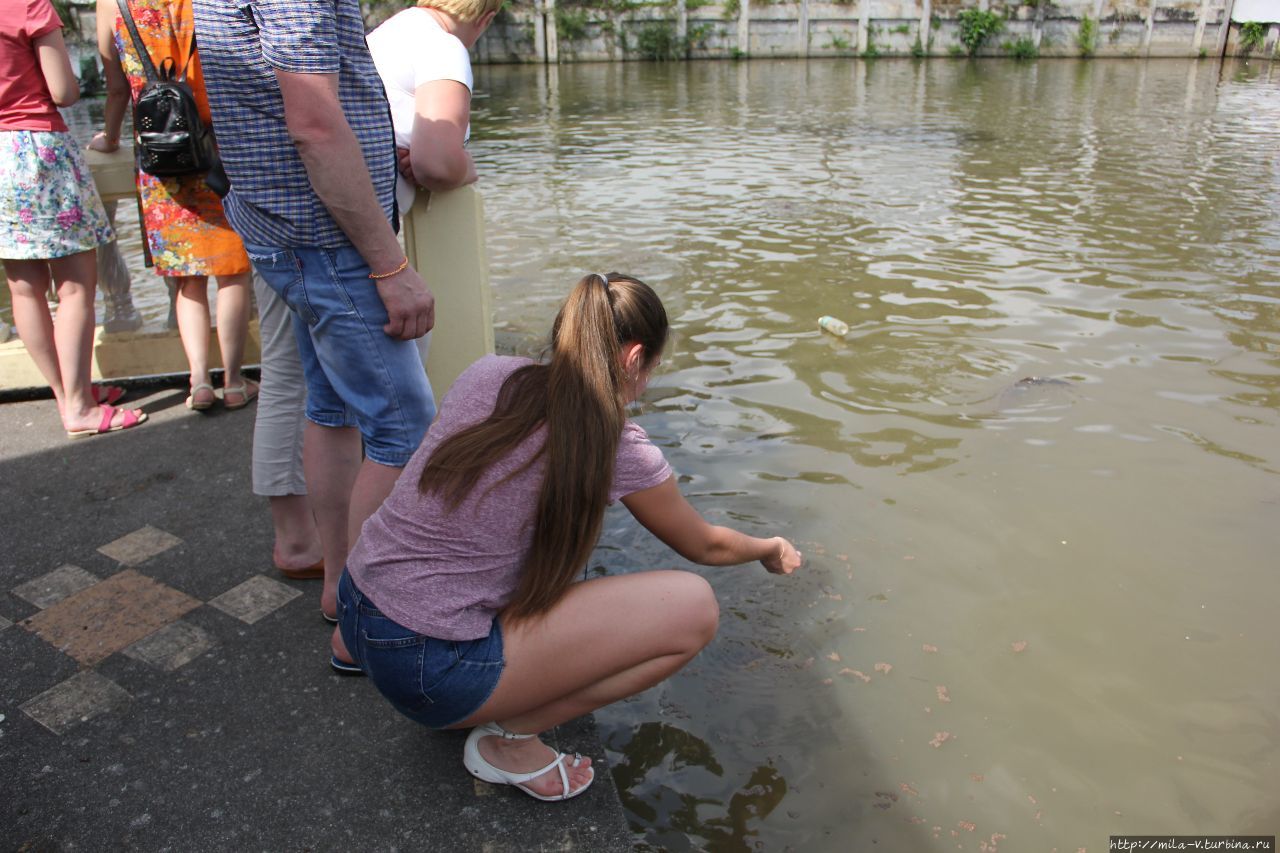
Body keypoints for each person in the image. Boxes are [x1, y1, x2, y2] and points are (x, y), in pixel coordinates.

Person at [337, 273, 803, 801]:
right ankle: (508, 743)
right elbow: (707, 546)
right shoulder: (617, 444)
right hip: (424, 669)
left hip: (358, 607)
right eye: (652, 365)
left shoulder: (491, 373)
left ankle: (406, 668)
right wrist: (771, 547)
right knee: (694, 608)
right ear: (633, 359)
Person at [192, 0, 437, 617]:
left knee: (331, 411)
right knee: (407, 430)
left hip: (289, 232)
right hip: (329, 239)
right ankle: (368, 615)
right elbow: (316, 124)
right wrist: (389, 263)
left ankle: (341, 591)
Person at [92, 0, 257, 412]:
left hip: (159, 149)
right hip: (219, 144)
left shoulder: (110, 3)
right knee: (232, 271)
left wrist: (110, 138)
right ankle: (235, 382)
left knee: (188, 277)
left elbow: (115, 88)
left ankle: (199, 382)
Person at [1, 0, 147, 438]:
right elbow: (63, 90)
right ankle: (80, 408)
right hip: (35, 149)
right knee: (75, 285)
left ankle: (67, 395)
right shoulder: (26, 5)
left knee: (24, 288)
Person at [366, 0, 499, 211]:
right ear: (485, 19)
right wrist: (468, 169)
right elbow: (436, 167)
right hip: (358, 227)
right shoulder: (444, 48)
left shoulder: (389, 32)